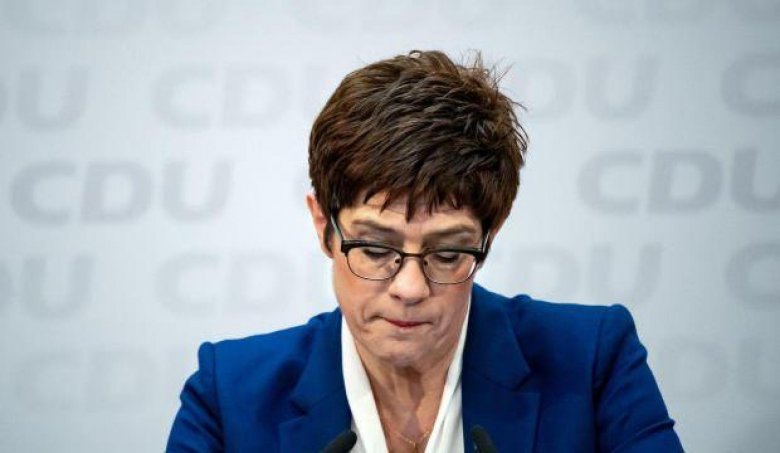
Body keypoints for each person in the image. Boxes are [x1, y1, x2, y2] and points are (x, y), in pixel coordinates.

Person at [166, 50, 683, 452]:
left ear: (490, 235)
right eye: (375, 248)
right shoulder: (228, 394)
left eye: (447, 253)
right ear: (324, 227)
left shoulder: (592, 363)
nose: (410, 288)